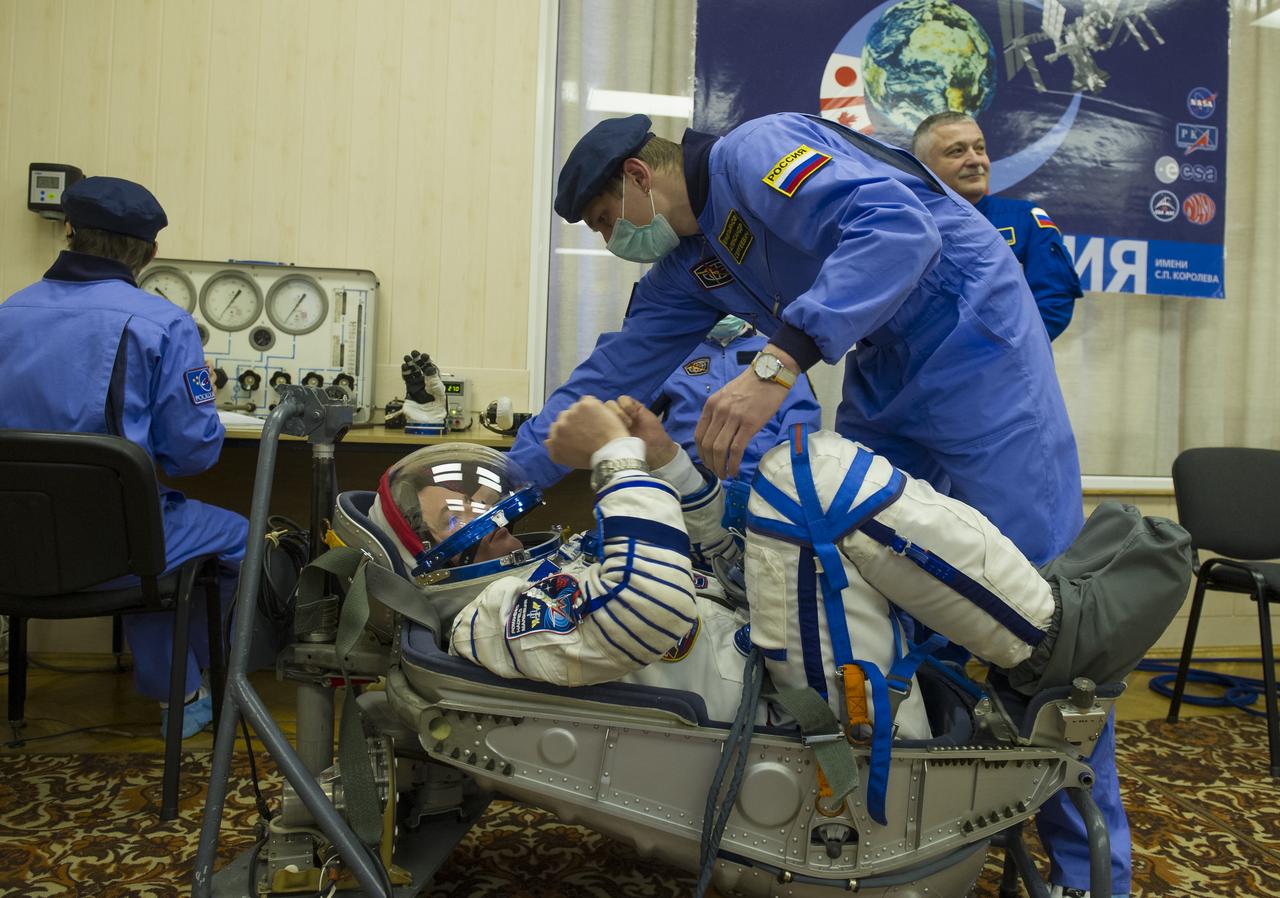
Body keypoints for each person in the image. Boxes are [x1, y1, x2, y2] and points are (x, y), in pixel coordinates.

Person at [372, 397, 1188, 874]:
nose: (488, 518)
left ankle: (1042, 620)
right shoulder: (489, 619)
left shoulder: (549, 569)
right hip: (809, 741)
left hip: (796, 693)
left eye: (487, 503)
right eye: (456, 518)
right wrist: (618, 465)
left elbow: (717, 573)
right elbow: (646, 612)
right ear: (419, 561)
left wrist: (668, 470)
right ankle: (1052, 636)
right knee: (808, 482)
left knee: (802, 471)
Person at [510, 111, 1082, 570]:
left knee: (1033, 554)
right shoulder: (689, 266)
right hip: (885, 360)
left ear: (638, 175)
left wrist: (774, 368)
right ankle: (924, 708)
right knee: (862, 540)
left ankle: (1066, 709)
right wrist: (504, 488)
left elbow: (898, 228)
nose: (614, 241)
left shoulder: (755, 151)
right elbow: (610, 373)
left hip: (972, 327)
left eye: (608, 219)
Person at [0, 177, 248, 740]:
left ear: (69, 231)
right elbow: (192, 456)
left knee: (160, 542)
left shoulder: (7, 312)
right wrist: (199, 397)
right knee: (239, 538)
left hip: (14, 544)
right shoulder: (162, 323)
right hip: (115, 546)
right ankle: (190, 689)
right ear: (151, 252)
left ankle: (180, 686)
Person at [911, 111, 1083, 341]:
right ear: (923, 167)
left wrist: (993, 354)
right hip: (914, 371)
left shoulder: (1024, 220)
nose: (975, 160)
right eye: (957, 151)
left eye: (980, 148)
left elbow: (1053, 301)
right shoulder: (904, 226)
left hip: (1000, 369)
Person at [650, 314, 821, 486]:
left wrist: (783, 475)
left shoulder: (776, 352)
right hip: (692, 485)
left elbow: (801, 416)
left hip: (764, 483)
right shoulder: (678, 355)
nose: (725, 312)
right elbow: (636, 412)